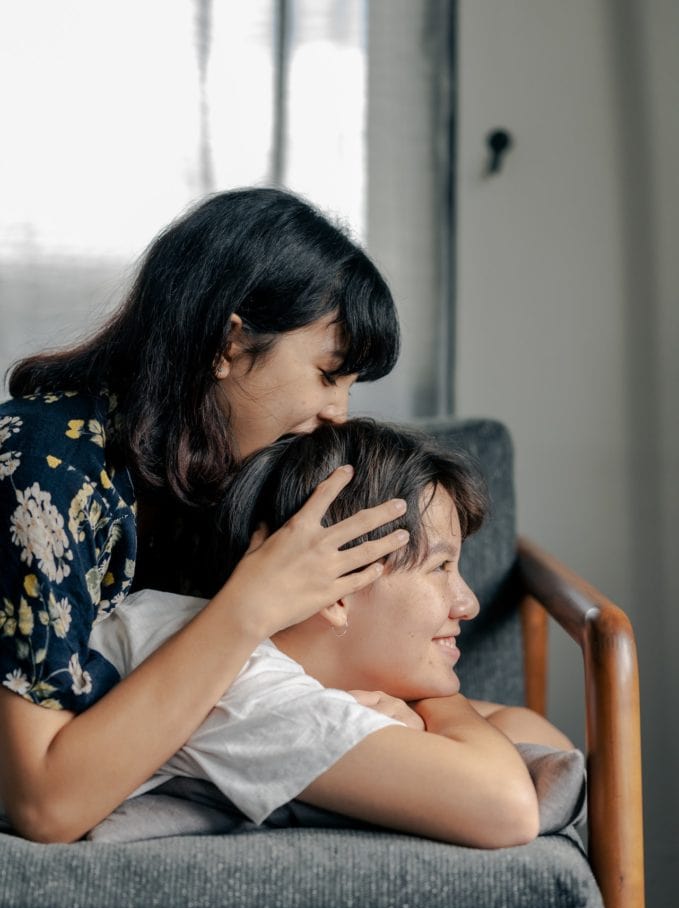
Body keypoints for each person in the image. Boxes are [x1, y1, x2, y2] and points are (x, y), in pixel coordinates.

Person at [0, 188, 410, 844]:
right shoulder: (48, 466)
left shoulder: (227, 478)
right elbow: (45, 805)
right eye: (328, 374)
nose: (339, 410)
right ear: (229, 341)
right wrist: (251, 605)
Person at [89, 419, 574, 849]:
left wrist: (420, 712)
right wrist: (438, 702)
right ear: (336, 590)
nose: (468, 604)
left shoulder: (265, 657)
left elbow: (542, 741)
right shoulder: (247, 687)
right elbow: (507, 809)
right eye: (441, 566)